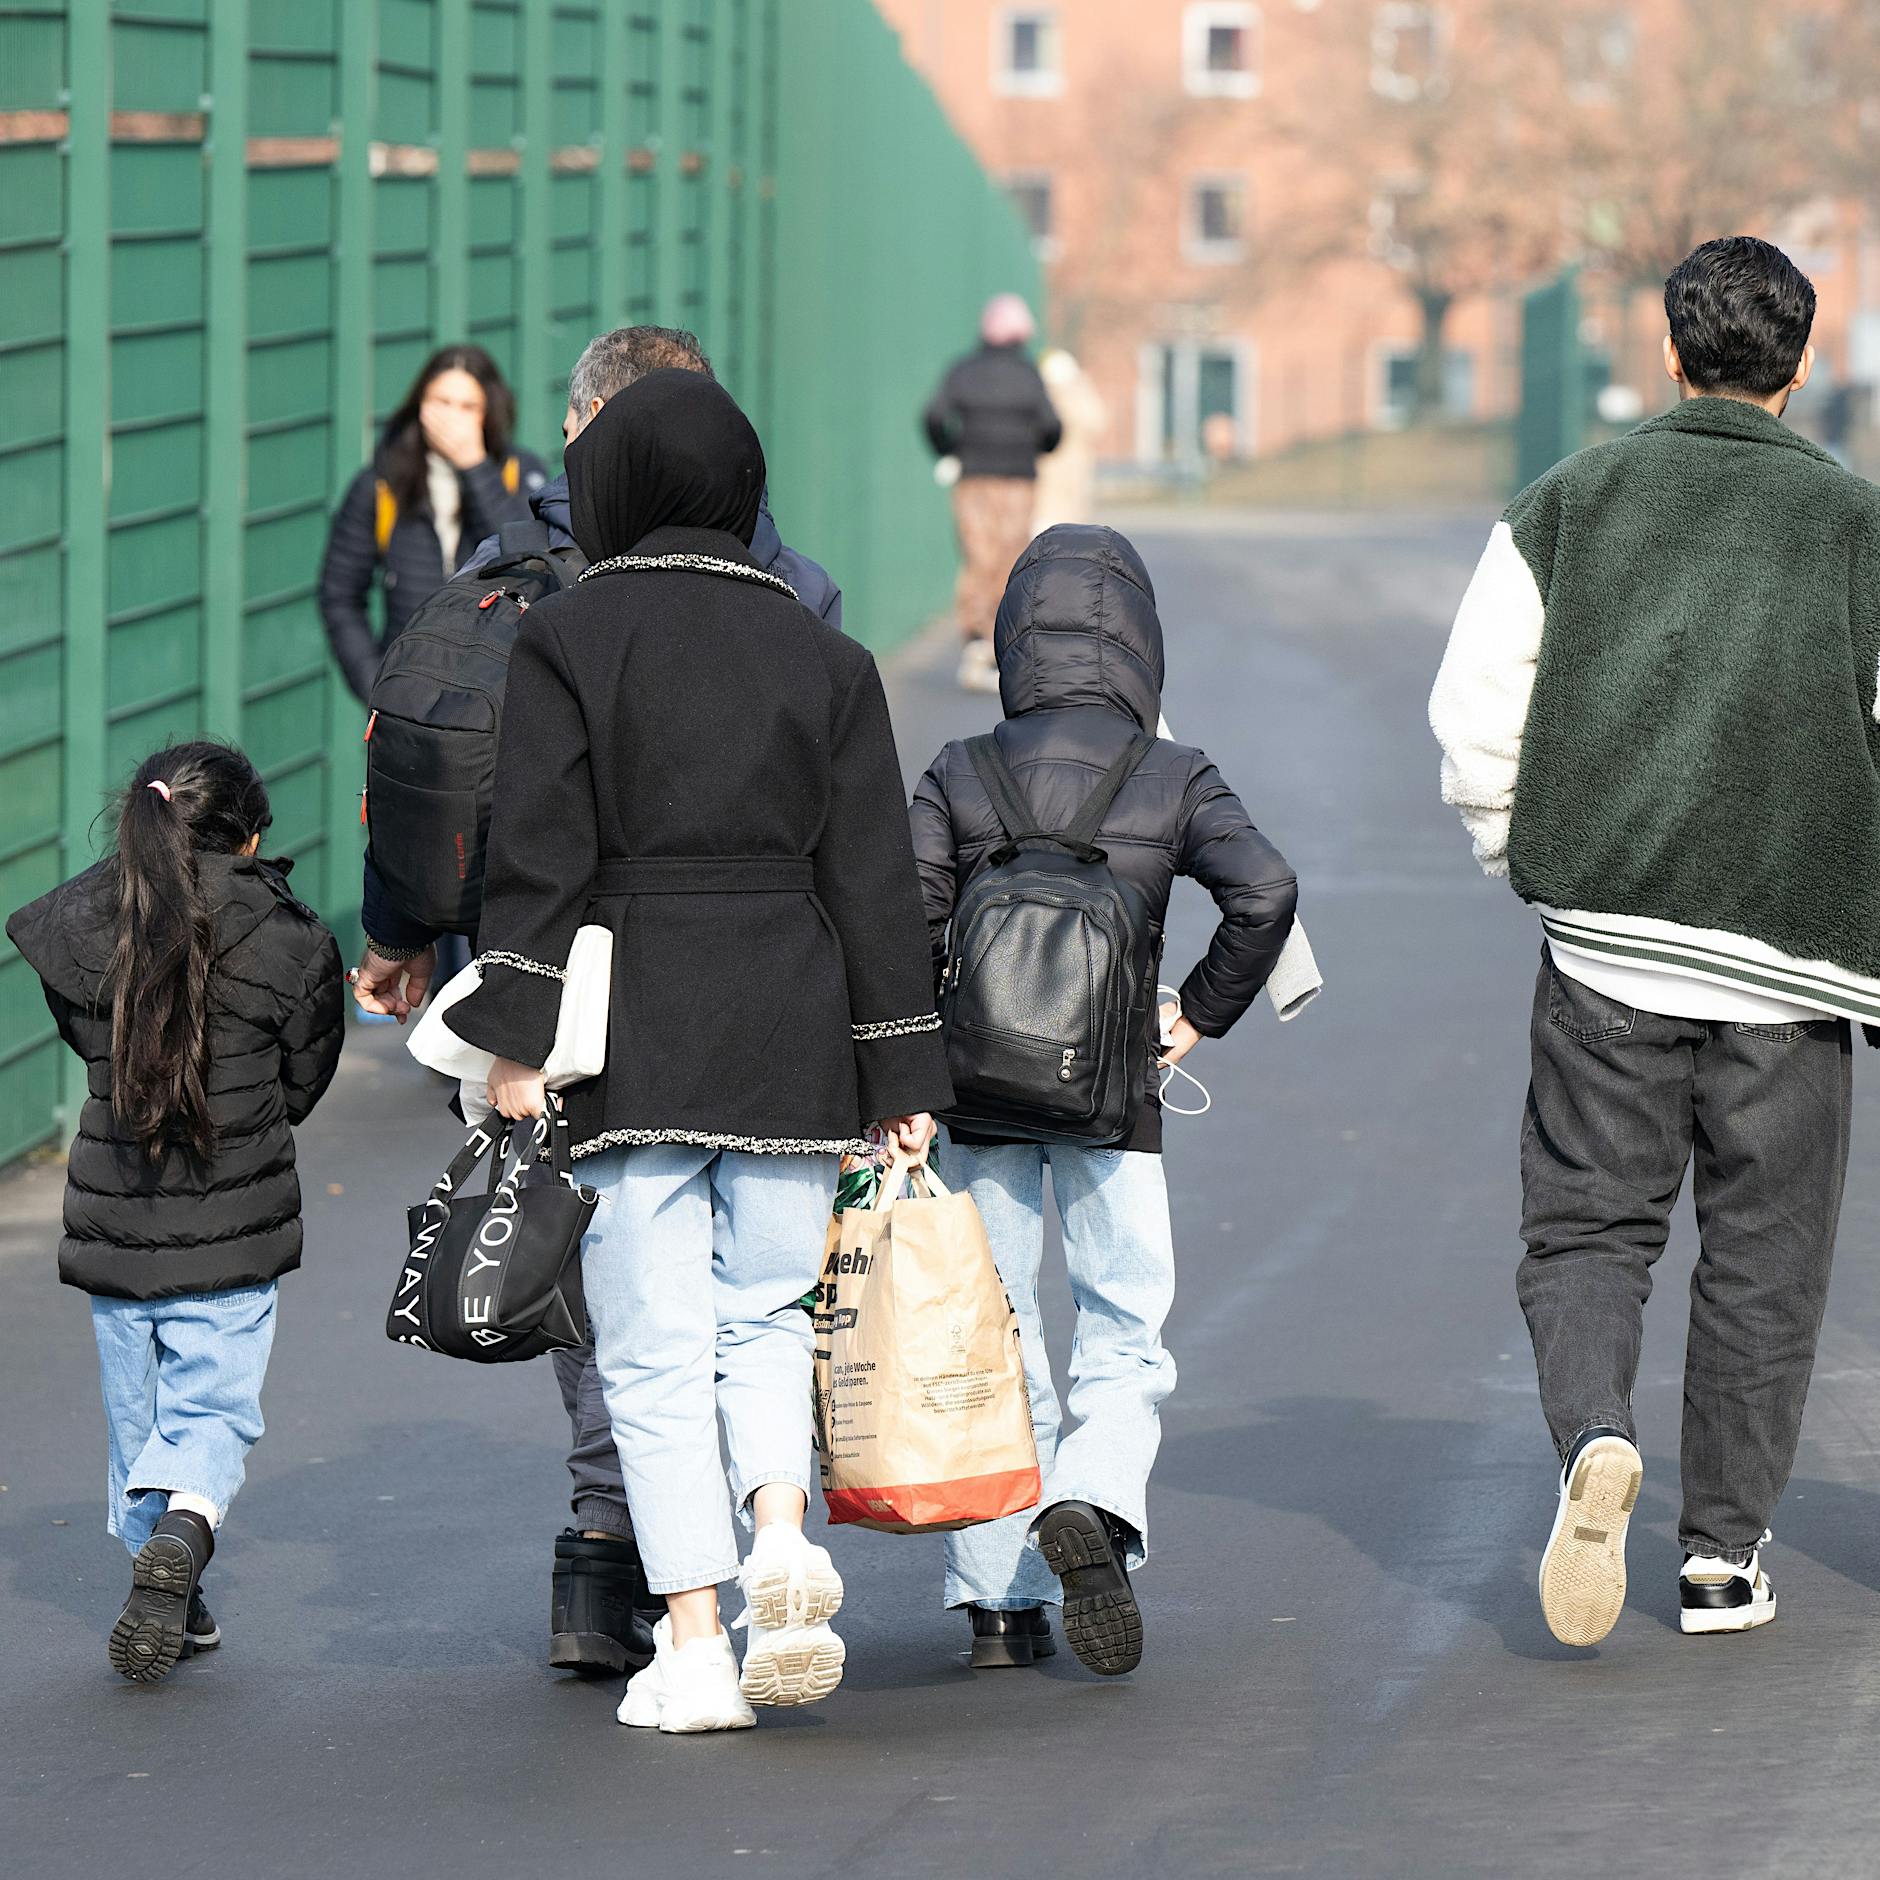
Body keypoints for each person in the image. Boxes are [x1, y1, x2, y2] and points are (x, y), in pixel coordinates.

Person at [440, 369, 952, 1733]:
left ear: (612, 491)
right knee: (768, 1315)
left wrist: (515, 1040)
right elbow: (874, 881)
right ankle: (784, 1531)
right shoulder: (826, 658)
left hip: (633, 1029)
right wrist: (902, 1075)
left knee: (655, 1350)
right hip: (793, 1020)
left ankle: (697, 1640)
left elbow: (537, 857)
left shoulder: (569, 638)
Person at [349, 324, 844, 1682]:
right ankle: (743, 1539)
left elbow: (437, 760)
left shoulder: (510, 578)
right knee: (748, 1297)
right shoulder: (788, 588)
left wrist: (406, 942)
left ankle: (602, 1550)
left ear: (581, 429)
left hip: (547, 969)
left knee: (608, 1269)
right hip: (757, 984)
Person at [1429, 235, 1880, 1648]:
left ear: (1669, 353)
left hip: (1606, 945)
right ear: (1800, 367)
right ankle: (1724, 1559)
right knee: (1767, 1252)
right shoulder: (1858, 526)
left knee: (1586, 1224)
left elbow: (1474, 713)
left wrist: (1536, 861)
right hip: (1794, 966)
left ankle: (1591, 1443)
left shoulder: (1571, 502)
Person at [907, 524, 1298, 1675]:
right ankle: (1092, 1497)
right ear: (1138, 640)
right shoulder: (1172, 773)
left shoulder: (957, 765)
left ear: (1011, 636)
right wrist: (1191, 1017)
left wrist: (919, 1059)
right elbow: (1264, 890)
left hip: (974, 1093)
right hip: (1112, 1093)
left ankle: (995, 1600)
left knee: (997, 1331)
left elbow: (899, 916)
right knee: (1123, 1326)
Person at [5, 743, 343, 1683]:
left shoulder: (92, 921)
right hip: (233, 1224)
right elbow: (303, 1079)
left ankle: (174, 1594)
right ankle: (187, 1538)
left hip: (116, 1223)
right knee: (212, 1409)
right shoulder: (290, 934)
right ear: (251, 835)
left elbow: (83, 1028)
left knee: (137, 1418)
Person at [318, 343, 550, 702]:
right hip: (409, 697)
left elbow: (530, 556)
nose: (452, 418)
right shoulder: (381, 484)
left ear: (489, 412)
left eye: (468, 407)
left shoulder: (520, 473)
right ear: (419, 406)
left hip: (496, 696)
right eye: (441, 402)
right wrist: (376, 686)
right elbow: (339, 595)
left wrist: (473, 465)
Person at [924, 294, 1062, 693]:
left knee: (976, 554)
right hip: (1018, 478)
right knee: (1009, 557)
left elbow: (934, 416)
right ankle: (1001, 643)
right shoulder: (1028, 375)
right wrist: (1038, 448)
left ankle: (975, 639)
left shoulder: (962, 371)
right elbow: (1052, 427)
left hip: (973, 477)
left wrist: (949, 449)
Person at [1031, 347, 1108, 534]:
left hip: (1069, 475)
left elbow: (1096, 423)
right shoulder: (1053, 400)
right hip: (1051, 478)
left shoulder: (1077, 399)